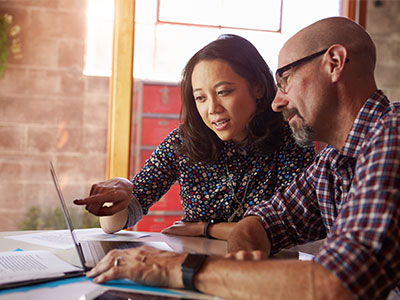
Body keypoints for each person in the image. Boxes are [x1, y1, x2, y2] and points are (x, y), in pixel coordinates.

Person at [83, 17, 400, 300]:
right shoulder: (332, 160)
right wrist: (235, 271)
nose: (278, 102)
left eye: (285, 80)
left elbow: (340, 284)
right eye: (200, 97)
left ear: (333, 62)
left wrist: (178, 267)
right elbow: (266, 221)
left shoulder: (392, 135)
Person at [74, 34, 314, 240]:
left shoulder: (291, 139)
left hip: (264, 274)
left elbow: (289, 227)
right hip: (196, 270)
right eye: (201, 97)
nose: (212, 108)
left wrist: (205, 229)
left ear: (258, 88)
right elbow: (115, 224)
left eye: (223, 92)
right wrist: (123, 190)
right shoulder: (183, 142)